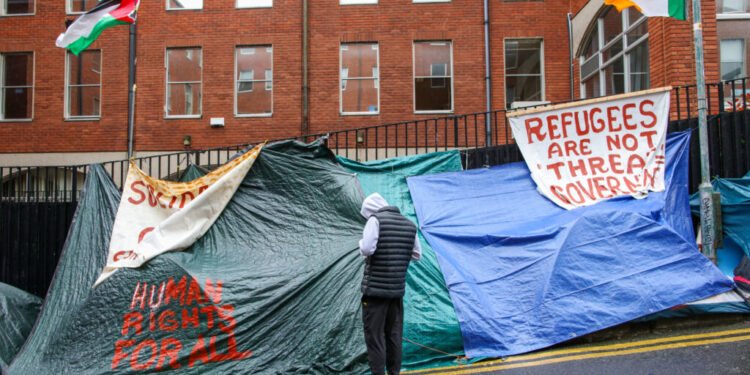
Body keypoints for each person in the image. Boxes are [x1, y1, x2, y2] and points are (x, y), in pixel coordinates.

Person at [358, 193, 421, 375]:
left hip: (375, 294)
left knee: (375, 338)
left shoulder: (375, 220)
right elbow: (417, 255)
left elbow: (367, 248)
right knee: (394, 337)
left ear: (370, 211)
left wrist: (360, 243)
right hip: (396, 292)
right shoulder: (409, 224)